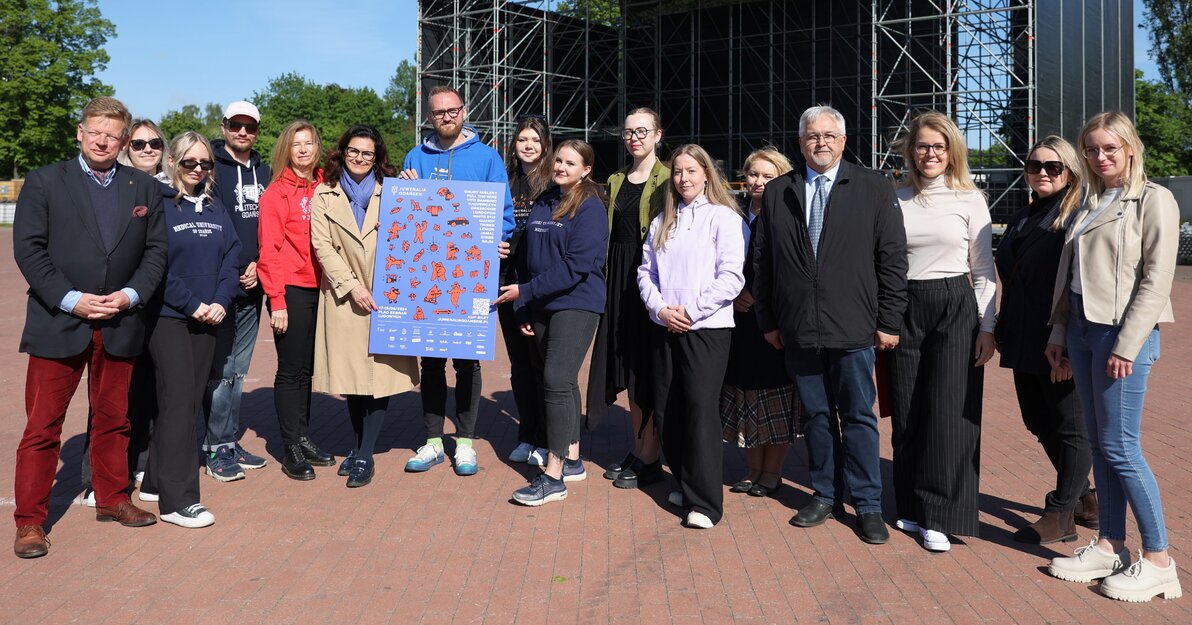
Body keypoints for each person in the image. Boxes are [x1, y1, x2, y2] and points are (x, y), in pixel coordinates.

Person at [12, 96, 166, 558]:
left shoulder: (143, 188)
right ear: (79, 132)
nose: (103, 140)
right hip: (59, 321)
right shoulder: (44, 182)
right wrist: (72, 299)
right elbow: (29, 250)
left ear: (123, 141)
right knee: (42, 427)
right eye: (95, 131)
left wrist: (130, 295)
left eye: (112, 134)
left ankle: (113, 498)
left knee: (115, 419)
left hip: (120, 321)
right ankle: (30, 522)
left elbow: (156, 252)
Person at [752, 105, 907, 545]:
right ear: (800, 143)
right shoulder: (781, 190)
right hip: (798, 326)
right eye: (811, 136)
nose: (820, 142)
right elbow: (762, 262)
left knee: (859, 416)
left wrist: (889, 319)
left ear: (842, 140)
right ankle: (825, 494)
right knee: (817, 416)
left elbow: (892, 259)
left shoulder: (874, 186)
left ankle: (869, 504)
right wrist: (768, 319)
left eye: (828, 135)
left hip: (854, 325)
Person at [1046, 111, 1182, 603]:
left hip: (1121, 334)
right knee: (1101, 445)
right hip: (1082, 329)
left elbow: (1156, 278)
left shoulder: (1153, 200)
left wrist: (1127, 344)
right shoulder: (1087, 201)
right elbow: (1073, 278)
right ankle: (1109, 543)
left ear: (1129, 148)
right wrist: (1060, 331)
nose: (1099, 157)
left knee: (1122, 446)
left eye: (1109, 148)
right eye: (1090, 149)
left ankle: (1161, 560)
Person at [887, 111, 996, 552]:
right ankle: (911, 507)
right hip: (903, 306)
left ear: (951, 151)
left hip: (955, 305)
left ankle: (940, 515)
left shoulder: (970, 198)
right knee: (908, 412)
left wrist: (987, 326)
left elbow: (984, 268)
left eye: (938, 146)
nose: (929, 153)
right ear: (911, 151)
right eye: (922, 146)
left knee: (948, 414)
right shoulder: (894, 198)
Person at [399, 85, 515, 477]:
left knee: (467, 363)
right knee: (430, 361)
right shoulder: (416, 156)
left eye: (453, 110)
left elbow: (504, 213)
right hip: (429, 273)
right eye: (438, 112)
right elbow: (406, 214)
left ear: (464, 111)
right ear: (429, 117)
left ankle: (464, 442)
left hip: (470, 275)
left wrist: (497, 243)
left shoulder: (486, 158)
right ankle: (433, 440)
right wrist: (405, 190)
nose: (446, 117)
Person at [638, 144, 747, 529]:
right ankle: (685, 483)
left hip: (707, 329)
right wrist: (660, 310)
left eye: (691, 171)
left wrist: (692, 311)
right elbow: (645, 272)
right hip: (666, 325)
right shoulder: (662, 220)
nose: (683, 178)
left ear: (706, 174)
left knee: (700, 411)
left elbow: (732, 277)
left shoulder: (723, 218)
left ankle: (706, 503)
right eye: (678, 172)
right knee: (669, 409)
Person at [494, 139, 608, 505]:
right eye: (558, 160)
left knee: (555, 380)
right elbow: (526, 257)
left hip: (576, 303)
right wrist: (525, 306)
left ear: (586, 169)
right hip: (540, 304)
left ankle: (553, 476)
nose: (561, 167)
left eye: (570, 163)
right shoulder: (544, 200)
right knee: (564, 384)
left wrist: (525, 292)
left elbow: (577, 266)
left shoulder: (590, 206)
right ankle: (573, 459)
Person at [995, 136, 1097, 544]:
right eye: (1034, 165)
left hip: (1059, 337)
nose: (1042, 172)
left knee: (1070, 427)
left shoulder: (1079, 217)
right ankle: (1086, 499)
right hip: (1021, 335)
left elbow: (1080, 285)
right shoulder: (1025, 215)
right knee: (1037, 420)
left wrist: (1070, 342)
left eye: (1053, 167)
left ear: (1070, 171)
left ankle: (1061, 514)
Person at [140, 132, 241, 528]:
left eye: (205, 164)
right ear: (173, 162)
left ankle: (152, 480)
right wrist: (193, 304)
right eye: (190, 162)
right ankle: (178, 501)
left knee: (183, 400)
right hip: (169, 317)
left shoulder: (216, 206)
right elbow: (156, 265)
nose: (198, 169)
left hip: (210, 315)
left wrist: (219, 300)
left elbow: (232, 256)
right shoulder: (159, 204)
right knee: (181, 401)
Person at [310, 125, 420, 488]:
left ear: (378, 157)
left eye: (368, 153)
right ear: (342, 153)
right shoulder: (324, 195)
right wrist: (351, 285)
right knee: (354, 380)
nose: (360, 158)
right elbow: (323, 247)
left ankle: (364, 454)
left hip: (386, 296)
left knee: (379, 378)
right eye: (354, 151)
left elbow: (420, 227)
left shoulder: (393, 192)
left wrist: (415, 187)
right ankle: (358, 449)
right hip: (346, 297)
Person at [78, 120, 169, 506]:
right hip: (120, 305)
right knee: (109, 395)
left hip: (161, 304)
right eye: (139, 142)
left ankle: (142, 462)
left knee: (149, 388)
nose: (148, 148)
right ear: (126, 146)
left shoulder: (172, 188)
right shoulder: (113, 185)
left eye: (155, 142)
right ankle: (95, 475)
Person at [589, 107, 669, 490]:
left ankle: (652, 455)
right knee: (627, 363)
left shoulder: (671, 178)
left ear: (658, 135)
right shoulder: (616, 179)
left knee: (647, 369)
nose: (634, 137)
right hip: (618, 277)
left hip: (651, 276)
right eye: (628, 132)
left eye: (642, 131)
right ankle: (640, 447)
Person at [721, 148, 800, 498]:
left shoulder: (789, 214)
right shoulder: (732, 212)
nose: (758, 181)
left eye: (768, 176)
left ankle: (773, 472)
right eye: (753, 174)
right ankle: (753, 469)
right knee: (745, 393)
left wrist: (753, 293)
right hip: (737, 321)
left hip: (773, 319)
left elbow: (788, 264)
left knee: (775, 395)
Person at [257, 120, 334, 480]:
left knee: (308, 369)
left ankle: (304, 437)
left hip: (323, 289)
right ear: (286, 149)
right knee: (290, 371)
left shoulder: (326, 186)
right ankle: (290, 447)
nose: (303, 149)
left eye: (309, 143)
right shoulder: (275, 194)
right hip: (291, 288)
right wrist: (277, 301)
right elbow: (268, 252)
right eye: (296, 144)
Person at [203, 101, 273, 481]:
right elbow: (209, 225)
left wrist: (259, 262)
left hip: (254, 286)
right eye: (235, 125)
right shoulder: (208, 168)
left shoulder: (265, 170)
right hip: (219, 287)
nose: (242, 132)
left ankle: (227, 439)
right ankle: (215, 447)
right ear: (224, 126)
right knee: (219, 369)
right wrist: (233, 269)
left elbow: (271, 226)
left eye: (250, 126)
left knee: (237, 371)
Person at [502, 115, 552, 465]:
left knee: (543, 364)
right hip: (506, 280)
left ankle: (548, 438)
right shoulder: (503, 180)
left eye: (535, 139)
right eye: (523, 139)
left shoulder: (553, 181)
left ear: (545, 144)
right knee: (519, 364)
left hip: (538, 283)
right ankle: (527, 433)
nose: (529, 145)